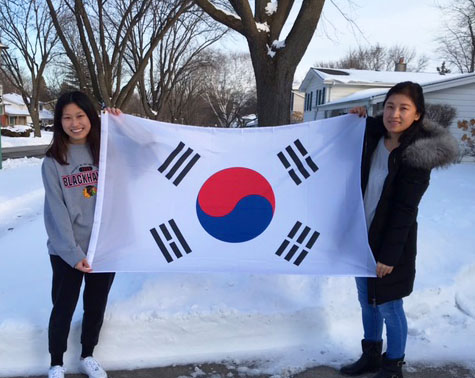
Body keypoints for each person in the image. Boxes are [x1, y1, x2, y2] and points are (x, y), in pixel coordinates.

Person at [340, 82, 458, 378]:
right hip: (362, 236)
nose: (395, 113)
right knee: (367, 300)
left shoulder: (417, 156)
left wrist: (389, 257)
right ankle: (371, 355)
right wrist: (356, 116)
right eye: (390, 106)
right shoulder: (374, 136)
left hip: (392, 244)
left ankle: (393, 365)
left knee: (389, 306)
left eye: (404, 108)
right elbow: (349, 138)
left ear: (417, 114)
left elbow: (405, 211)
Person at [42, 91, 121, 378]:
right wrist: (73, 254)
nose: (74, 123)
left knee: (95, 306)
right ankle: (56, 363)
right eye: (67, 117)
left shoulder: (107, 152)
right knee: (63, 306)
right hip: (66, 251)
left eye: (80, 116)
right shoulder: (52, 162)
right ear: (59, 122)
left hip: (103, 246)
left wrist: (120, 125)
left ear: (91, 117)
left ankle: (88, 355)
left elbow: (147, 155)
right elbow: (56, 213)